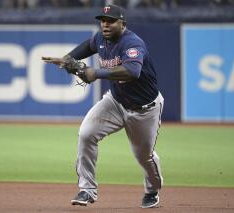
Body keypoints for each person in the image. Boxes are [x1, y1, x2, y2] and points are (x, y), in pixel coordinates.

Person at [43, 4, 164, 208]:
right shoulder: (101, 37)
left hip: (145, 109)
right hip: (115, 102)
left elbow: (132, 71)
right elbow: (88, 45)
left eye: (111, 21)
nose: (105, 25)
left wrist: (96, 73)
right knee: (86, 134)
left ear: (123, 24)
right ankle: (87, 190)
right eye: (103, 21)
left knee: (144, 156)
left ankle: (152, 191)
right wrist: (67, 59)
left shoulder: (132, 43)